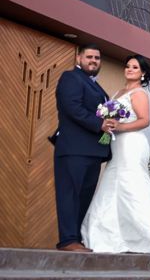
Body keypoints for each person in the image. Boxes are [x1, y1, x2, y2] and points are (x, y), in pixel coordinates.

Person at [81, 54, 150, 254]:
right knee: (113, 182)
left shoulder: (139, 93)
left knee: (131, 183)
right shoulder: (120, 92)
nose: (129, 69)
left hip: (132, 143)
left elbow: (144, 120)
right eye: (128, 66)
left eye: (135, 67)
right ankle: (107, 237)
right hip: (117, 143)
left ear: (143, 73)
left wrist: (120, 126)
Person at [54, 44, 111, 252]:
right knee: (69, 194)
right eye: (89, 57)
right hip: (74, 149)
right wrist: (100, 124)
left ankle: (76, 238)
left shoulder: (97, 86)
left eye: (97, 58)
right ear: (79, 58)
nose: (93, 61)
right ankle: (68, 240)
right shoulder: (70, 78)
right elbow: (72, 108)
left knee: (84, 196)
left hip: (93, 152)